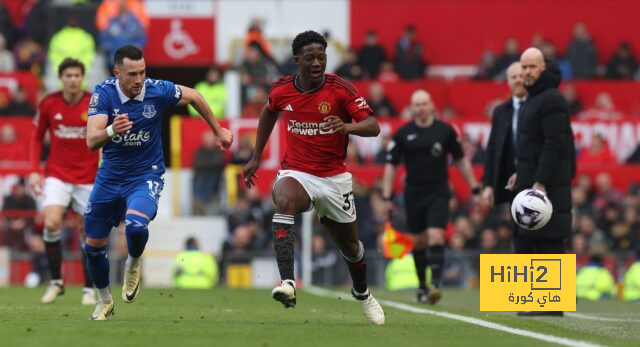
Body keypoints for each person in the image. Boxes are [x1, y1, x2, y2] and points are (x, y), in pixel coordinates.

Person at [243, 31, 385, 325]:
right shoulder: (282, 89)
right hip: (297, 172)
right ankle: (288, 284)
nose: (317, 62)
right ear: (297, 60)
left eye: (322, 57)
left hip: (334, 178)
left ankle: (363, 294)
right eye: (310, 58)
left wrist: (347, 127)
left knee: (351, 247)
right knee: (282, 199)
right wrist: (257, 155)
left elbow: (373, 126)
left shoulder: (340, 89)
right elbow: (269, 112)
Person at [83, 45, 233, 320]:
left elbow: (194, 95)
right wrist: (111, 129)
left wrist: (217, 129)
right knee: (93, 245)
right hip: (110, 176)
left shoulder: (157, 90)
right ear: (117, 73)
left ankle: (133, 262)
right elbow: (92, 140)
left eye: (142, 72)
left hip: (145, 175)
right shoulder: (103, 93)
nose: (138, 79)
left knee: (137, 225)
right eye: (131, 74)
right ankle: (104, 300)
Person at [381, 89, 481, 304]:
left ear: (432, 105)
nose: (421, 108)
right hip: (414, 193)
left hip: (438, 191)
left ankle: (435, 283)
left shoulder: (445, 131)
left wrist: (474, 186)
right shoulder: (403, 133)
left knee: (436, 236)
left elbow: (461, 160)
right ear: (411, 107)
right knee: (419, 241)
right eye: (416, 104)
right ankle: (423, 286)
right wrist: (387, 195)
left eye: (424, 103)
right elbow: (391, 165)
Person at [28, 58, 99, 305]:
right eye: (68, 75)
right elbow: (36, 137)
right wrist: (34, 170)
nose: (72, 80)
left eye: (77, 75)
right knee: (51, 223)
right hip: (57, 174)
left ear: (83, 77)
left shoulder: (94, 102)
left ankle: (89, 290)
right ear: (61, 78)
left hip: (88, 177)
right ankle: (57, 282)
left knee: (89, 233)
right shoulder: (49, 103)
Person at [515, 48, 575, 317]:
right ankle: (537, 302)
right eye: (523, 67)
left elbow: (554, 144)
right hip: (534, 181)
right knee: (534, 239)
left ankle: (552, 304)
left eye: (532, 67)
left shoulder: (551, 99)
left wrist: (540, 180)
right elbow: (533, 145)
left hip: (549, 185)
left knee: (549, 240)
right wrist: (520, 174)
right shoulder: (535, 98)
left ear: (543, 68)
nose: (526, 72)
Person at [482, 62, 527, 210]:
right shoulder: (500, 111)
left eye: (521, 76)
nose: (518, 80)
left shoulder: (538, 107)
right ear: (508, 81)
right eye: (514, 77)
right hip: (508, 182)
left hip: (532, 179)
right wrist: (488, 185)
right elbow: (492, 149)